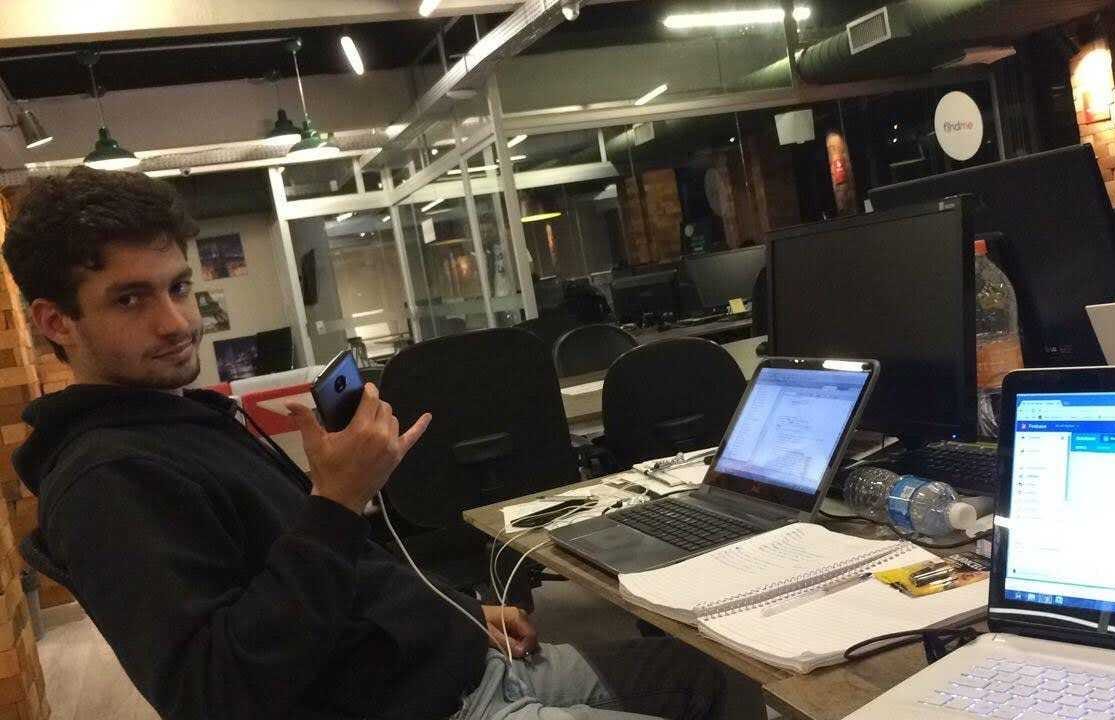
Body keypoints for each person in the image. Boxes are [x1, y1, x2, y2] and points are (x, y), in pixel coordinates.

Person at [4, 167, 725, 720]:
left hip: (472, 664)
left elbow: (335, 577)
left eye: (180, 287)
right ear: (56, 322)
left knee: (707, 678)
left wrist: (454, 612)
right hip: (441, 709)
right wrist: (337, 501)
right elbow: (215, 694)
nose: (176, 323)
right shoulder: (107, 481)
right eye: (131, 299)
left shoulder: (179, 419)